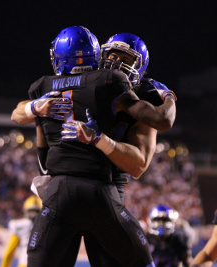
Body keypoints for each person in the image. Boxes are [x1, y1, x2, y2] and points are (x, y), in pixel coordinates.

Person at [14, 25, 157, 267]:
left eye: (125, 59)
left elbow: (138, 165)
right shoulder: (105, 84)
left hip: (89, 193)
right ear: (99, 56)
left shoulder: (136, 98)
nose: (115, 63)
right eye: (111, 56)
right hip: (101, 195)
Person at [0, 195, 42, 267]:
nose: (34, 215)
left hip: (25, 263)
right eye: (32, 212)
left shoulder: (19, 225)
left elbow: (9, 251)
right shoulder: (48, 225)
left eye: (35, 212)